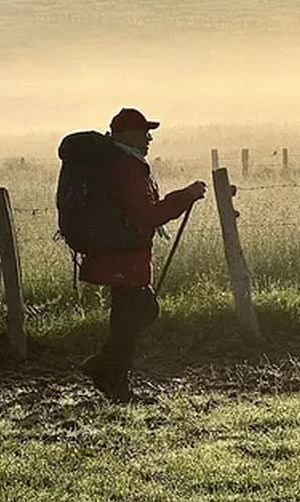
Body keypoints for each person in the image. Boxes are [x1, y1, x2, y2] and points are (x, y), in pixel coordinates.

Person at [78, 108, 206, 403]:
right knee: (136, 313)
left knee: (133, 314)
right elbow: (146, 214)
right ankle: (108, 375)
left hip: (119, 253)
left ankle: (111, 376)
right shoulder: (126, 167)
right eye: (143, 132)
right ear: (126, 135)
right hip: (124, 255)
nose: (149, 137)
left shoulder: (118, 163)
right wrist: (185, 196)